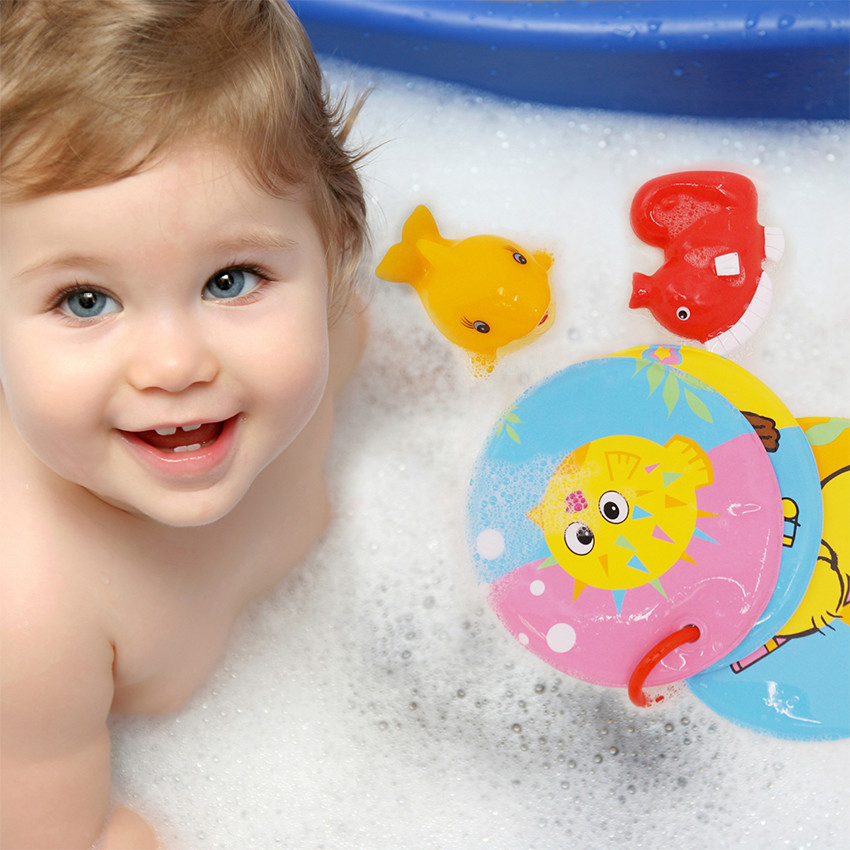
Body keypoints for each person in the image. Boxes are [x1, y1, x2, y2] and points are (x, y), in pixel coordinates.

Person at [0, 1, 368, 846]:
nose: (174, 365)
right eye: (84, 300)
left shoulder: (332, 334)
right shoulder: (33, 619)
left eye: (232, 280)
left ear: (335, 248)